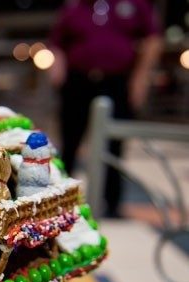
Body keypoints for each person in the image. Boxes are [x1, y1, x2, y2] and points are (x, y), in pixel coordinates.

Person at [48, 0, 162, 217]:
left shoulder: (135, 4)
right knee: (70, 141)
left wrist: (141, 77)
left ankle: (112, 203)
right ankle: (59, 198)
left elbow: (152, 39)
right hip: (78, 81)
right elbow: (57, 42)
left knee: (114, 144)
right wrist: (57, 67)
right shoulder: (74, 6)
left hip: (117, 81)